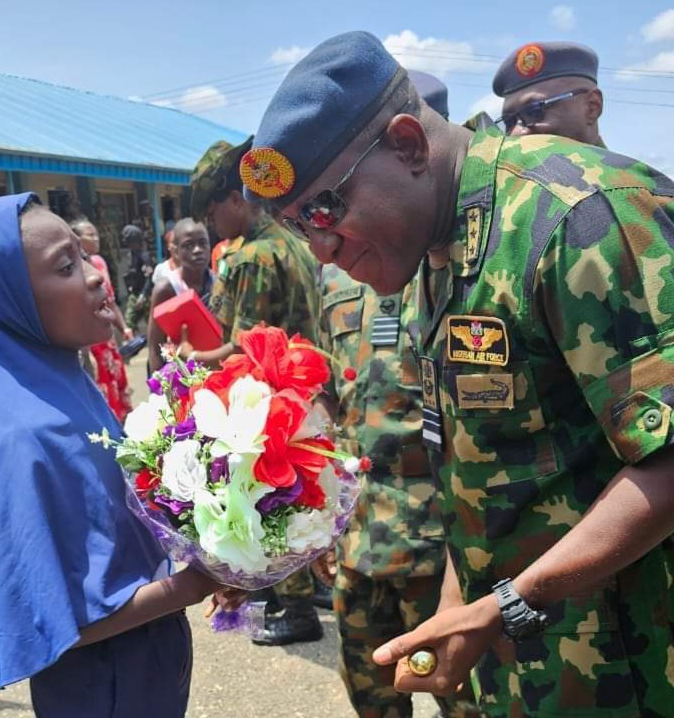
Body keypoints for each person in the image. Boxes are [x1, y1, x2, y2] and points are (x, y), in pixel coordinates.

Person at [242, 31, 674, 717]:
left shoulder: (575, 213)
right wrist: (456, 602)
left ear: (409, 144)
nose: (321, 248)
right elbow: (478, 465)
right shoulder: (436, 251)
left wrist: (505, 605)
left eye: (326, 210)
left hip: (635, 669)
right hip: (528, 672)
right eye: (300, 229)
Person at [0, 193, 242, 717]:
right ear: (8, 297)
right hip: (102, 687)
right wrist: (199, 581)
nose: (93, 276)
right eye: (66, 266)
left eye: (85, 258)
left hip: (144, 662)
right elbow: (55, 623)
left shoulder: (62, 382)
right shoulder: (23, 435)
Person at [316, 72, 474, 718]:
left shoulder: (460, 273)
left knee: (466, 706)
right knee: (373, 704)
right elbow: (330, 401)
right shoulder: (340, 280)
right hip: (361, 546)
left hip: (445, 555)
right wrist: (322, 518)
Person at [185, 136, 324, 647]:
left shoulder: (252, 258)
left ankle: (295, 604)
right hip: (305, 389)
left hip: (267, 402)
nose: (211, 224)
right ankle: (307, 587)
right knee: (307, 494)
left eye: (213, 211)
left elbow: (240, 347)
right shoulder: (294, 240)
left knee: (275, 500)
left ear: (237, 199)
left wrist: (199, 364)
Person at [70, 218, 134, 422]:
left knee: (116, 382)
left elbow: (110, 300)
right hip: (90, 341)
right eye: (90, 234)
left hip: (107, 338)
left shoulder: (99, 263)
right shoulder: (71, 268)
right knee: (100, 387)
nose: (96, 238)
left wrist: (124, 327)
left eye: (96, 233)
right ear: (76, 238)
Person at [492, 41, 605, 146]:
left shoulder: (620, 168)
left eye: (534, 112)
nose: (515, 133)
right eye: (508, 122)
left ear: (592, 106)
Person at [147, 217, 214, 372]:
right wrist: (160, 389)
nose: (197, 250)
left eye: (203, 243)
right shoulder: (166, 289)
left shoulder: (218, 283)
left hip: (214, 368)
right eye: (188, 245)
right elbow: (155, 345)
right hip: (180, 374)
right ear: (175, 252)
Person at [122, 223, 153, 333]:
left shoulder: (144, 256)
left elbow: (149, 277)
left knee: (152, 324)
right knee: (129, 322)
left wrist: (143, 296)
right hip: (134, 294)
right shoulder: (131, 255)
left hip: (145, 295)